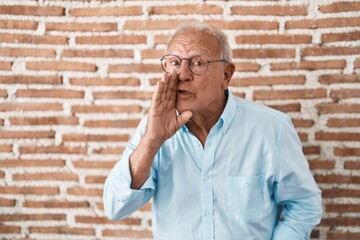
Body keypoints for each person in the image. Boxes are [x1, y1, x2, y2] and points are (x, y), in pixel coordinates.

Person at [103, 22, 322, 240]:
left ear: (226, 75)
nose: (182, 74)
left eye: (198, 63)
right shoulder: (151, 129)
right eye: (174, 62)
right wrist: (152, 141)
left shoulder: (272, 128)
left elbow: (303, 204)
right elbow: (116, 207)